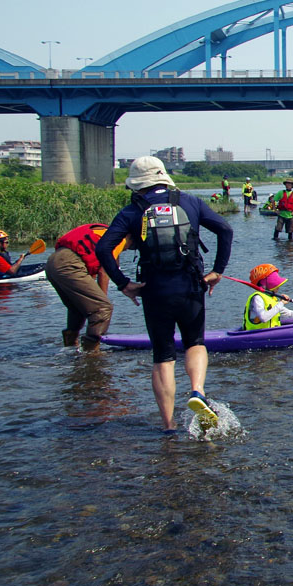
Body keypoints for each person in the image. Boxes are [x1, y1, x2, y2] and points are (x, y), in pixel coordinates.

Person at [95, 156, 233, 433]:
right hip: (191, 286)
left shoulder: (131, 211)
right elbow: (225, 230)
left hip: (154, 290)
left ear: (137, 184)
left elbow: (103, 249)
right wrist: (217, 270)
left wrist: (123, 284)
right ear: (163, 176)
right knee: (194, 342)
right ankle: (197, 391)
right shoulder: (190, 202)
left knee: (163, 356)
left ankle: (168, 426)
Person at [45, 223, 128, 351]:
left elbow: (90, 268)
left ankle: (70, 348)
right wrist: (101, 302)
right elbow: (103, 272)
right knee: (102, 309)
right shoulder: (118, 239)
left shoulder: (103, 231)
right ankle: (91, 355)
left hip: (52, 263)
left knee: (78, 308)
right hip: (68, 264)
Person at [243, 263, 293, 330]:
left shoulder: (272, 299)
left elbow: (289, 314)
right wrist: (281, 303)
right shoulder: (257, 298)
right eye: (275, 284)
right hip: (255, 334)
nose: (278, 287)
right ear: (264, 285)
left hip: (270, 333)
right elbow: (263, 318)